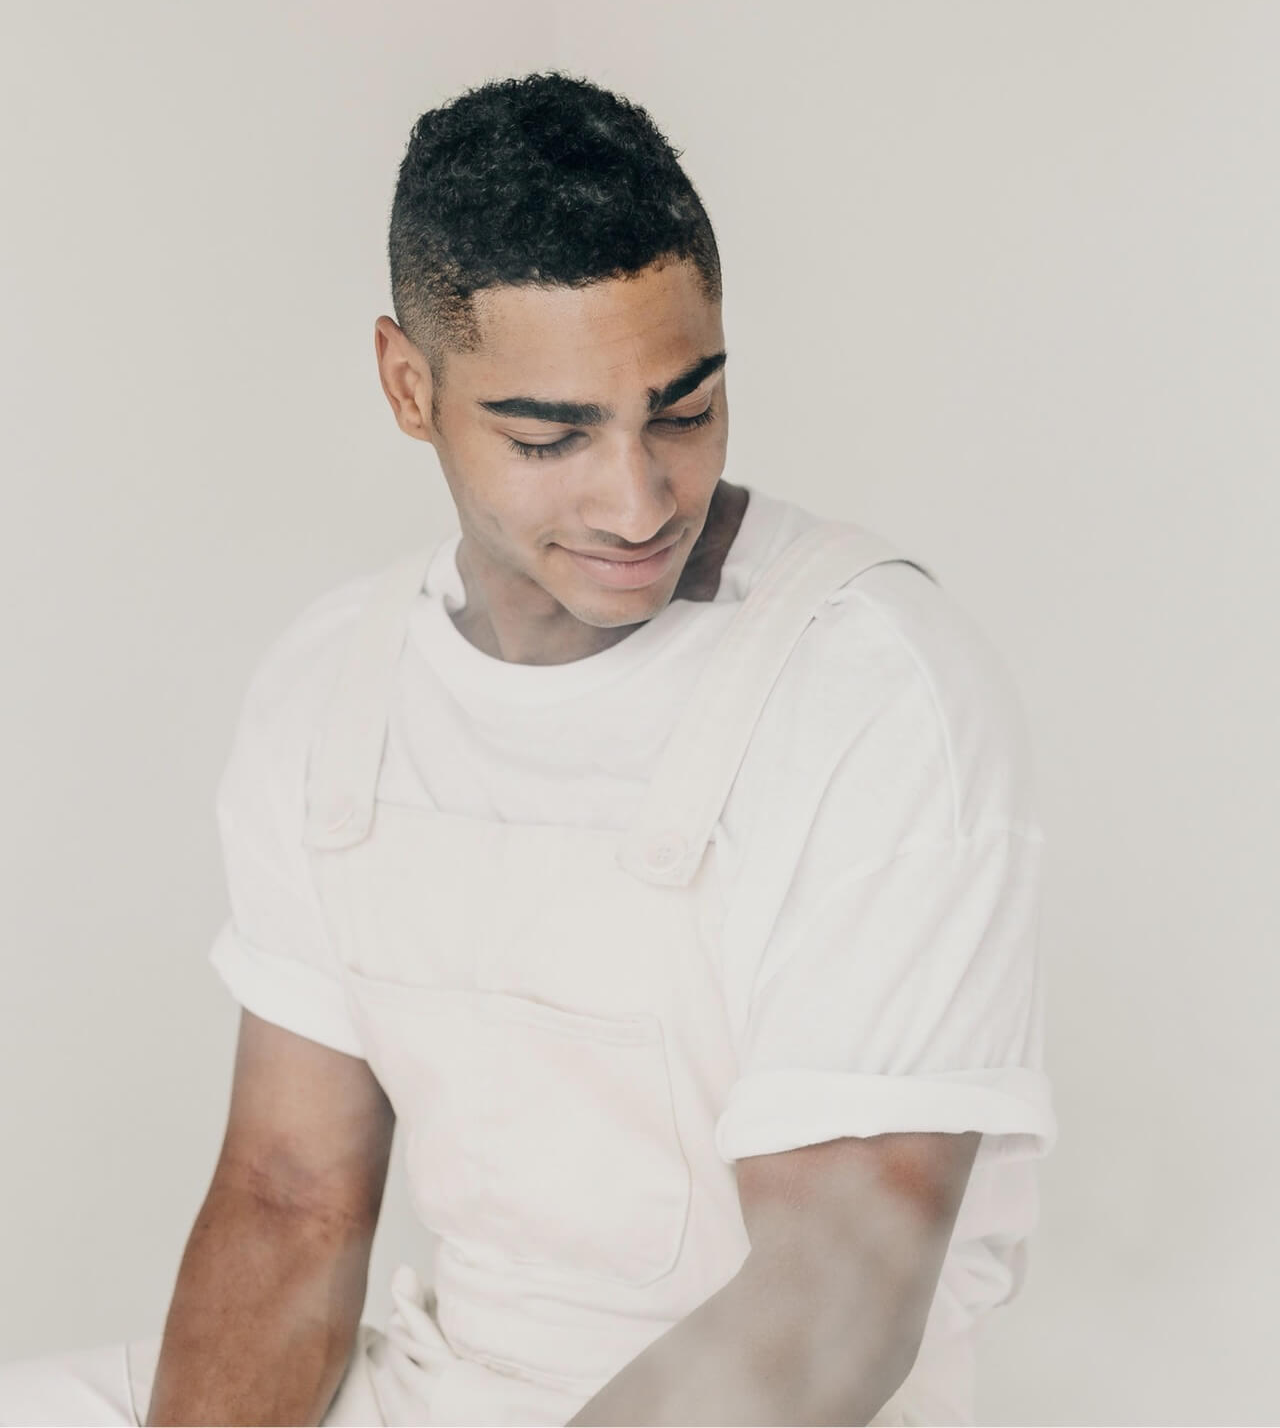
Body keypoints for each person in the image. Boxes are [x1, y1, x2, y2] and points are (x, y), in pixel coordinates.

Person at [0, 73, 1056, 1427]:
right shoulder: (337, 687)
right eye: (550, 436)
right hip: (451, 1385)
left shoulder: (873, 687)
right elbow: (290, 1197)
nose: (638, 499)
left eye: (684, 410)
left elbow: (834, 1295)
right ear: (409, 386)